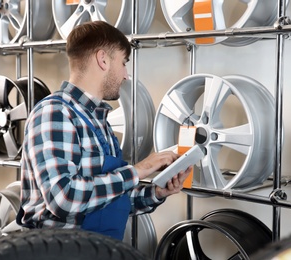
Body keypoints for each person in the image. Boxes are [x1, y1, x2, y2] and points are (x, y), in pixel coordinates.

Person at [17, 20, 191, 241]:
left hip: (99, 249)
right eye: (124, 62)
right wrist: (139, 170)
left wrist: (156, 192)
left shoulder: (100, 122)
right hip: (58, 252)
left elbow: (108, 201)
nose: (125, 75)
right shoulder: (54, 113)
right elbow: (64, 199)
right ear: (103, 60)